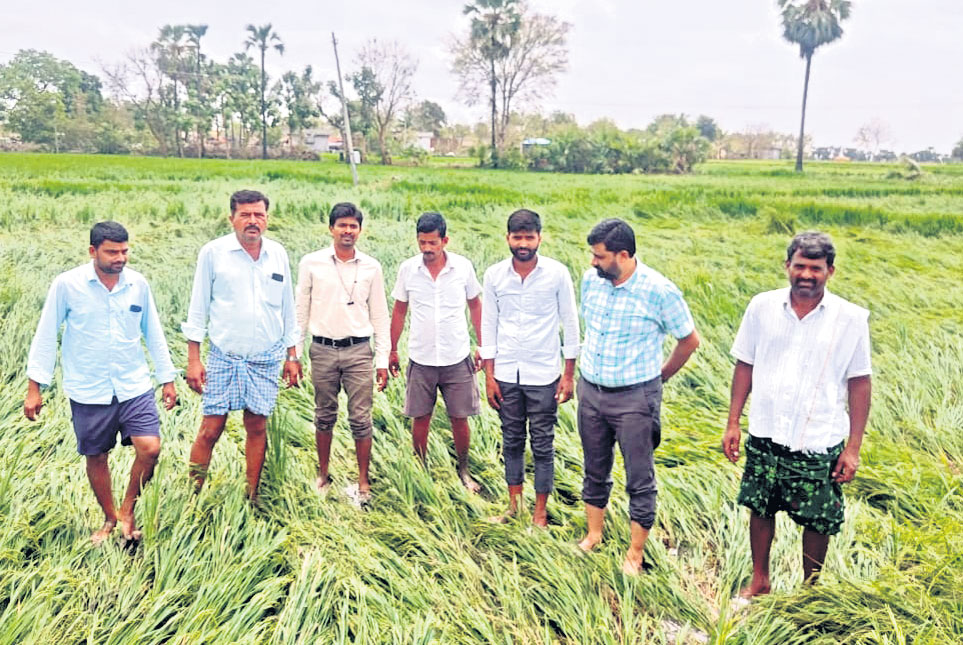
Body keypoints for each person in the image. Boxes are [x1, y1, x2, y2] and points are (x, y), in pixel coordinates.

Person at [723, 231, 871, 597]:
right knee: (760, 506)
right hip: (766, 432)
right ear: (787, 266)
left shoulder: (850, 319)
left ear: (830, 271)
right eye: (800, 266)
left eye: (816, 268)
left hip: (819, 439)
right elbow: (745, 364)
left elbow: (859, 383)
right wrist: (732, 423)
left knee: (819, 518)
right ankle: (760, 580)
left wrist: (852, 448)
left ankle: (811, 589)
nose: (807, 274)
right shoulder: (761, 307)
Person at [24, 221, 178, 544]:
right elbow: (46, 333)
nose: (120, 258)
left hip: (133, 384)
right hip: (88, 387)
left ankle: (127, 510)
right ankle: (110, 517)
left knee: (150, 448)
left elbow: (154, 332)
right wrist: (35, 386)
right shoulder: (67, 285)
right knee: (96, 455)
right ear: (93, 251)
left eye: (125, 251)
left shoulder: (138, 285)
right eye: (112, 252)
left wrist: (167, 379)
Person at [577, 218, 700, 575]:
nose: (592, 263)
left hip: (635, 398)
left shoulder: (660, 291)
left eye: (599, 257)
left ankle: (635, 552)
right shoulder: (591, 282)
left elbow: (689, 340)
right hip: (592, 392)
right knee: (594, 468)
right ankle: (593, 535)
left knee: (639, 477)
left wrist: (659, 377)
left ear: (624, 255)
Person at [183, 189, 301, 502]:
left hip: (266, 356)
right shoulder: (213, 253)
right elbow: (198, 308)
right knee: (211, 428)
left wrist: (293, 354)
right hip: (225, 355)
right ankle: (192, 494)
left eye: (258, 215)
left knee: (257, 426)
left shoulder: (277, 254)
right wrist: (194, 359)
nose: (252, 221)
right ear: (231, 217)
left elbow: (288, 308)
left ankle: (252, 494)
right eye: (245, 214)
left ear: (267, 218)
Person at [480, 209, 580, 526]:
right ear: (507, 238)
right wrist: (489, 376)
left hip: (543, 375)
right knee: (510, 441)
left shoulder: (557, 274)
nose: (523, 243)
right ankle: (514, 506)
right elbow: (489, 325)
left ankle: (539, 513)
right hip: (506, 375)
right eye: (517, 237)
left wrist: (568, 374)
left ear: (539, 237)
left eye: (529, 237)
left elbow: (571, 323)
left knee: (542, 444)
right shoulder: (495, 276)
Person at [295, 202, 390, 506]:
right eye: (342, 225)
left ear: (360, 230)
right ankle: (323, 474)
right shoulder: (311, 263)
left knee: (361, 419)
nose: (348, 231)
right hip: (322, 349)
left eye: (353, 226)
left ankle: (363, 480)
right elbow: (300, 311)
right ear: (331, 228)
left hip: (359, 352)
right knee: (324, 415)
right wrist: (294, 354)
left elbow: (380, 314)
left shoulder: (371, 267)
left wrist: (382, 359)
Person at [389, 212, 484, 492]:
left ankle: (464, 471)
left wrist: (483, 344)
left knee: (460, 416)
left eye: (433, 243)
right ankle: (420, 469)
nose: (427, 249)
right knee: (420, 416)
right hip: (421, 358)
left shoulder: (463, 268)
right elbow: (399, 310)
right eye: (422, 243)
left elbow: (475, 305)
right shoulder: (408, 270)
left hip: (457, 357)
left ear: (445, 240)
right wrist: (392, 349)